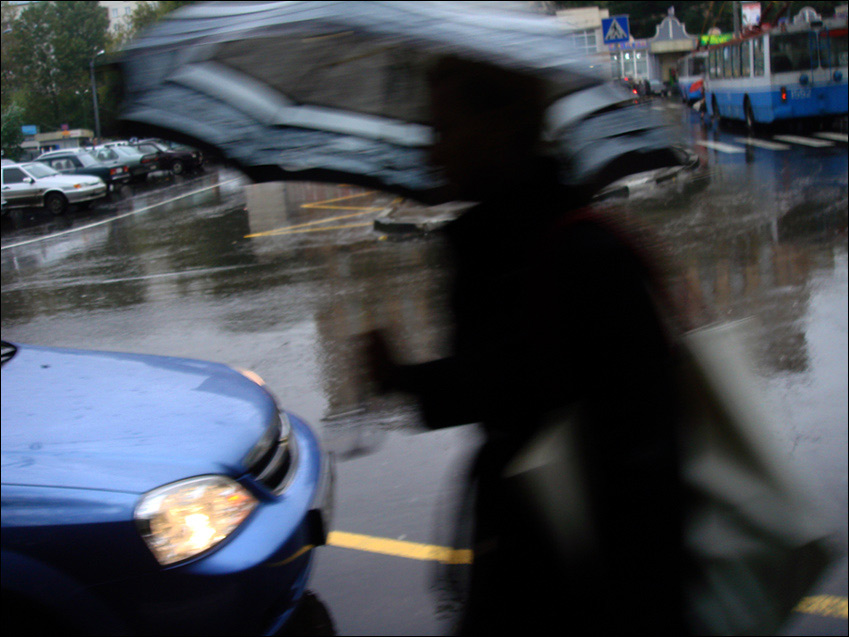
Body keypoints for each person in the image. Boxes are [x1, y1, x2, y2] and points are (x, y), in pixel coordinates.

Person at [363, 56, 688, 635]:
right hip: (533, 561)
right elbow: (502, 384)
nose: (433, 153)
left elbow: (634, 452)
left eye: (444, 130)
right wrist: (402, 377)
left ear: (499, 128)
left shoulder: (576, 255)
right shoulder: (497, 247)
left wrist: (404, 377)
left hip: (574, 582)